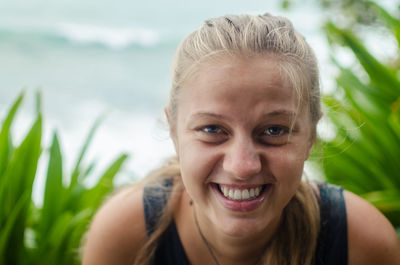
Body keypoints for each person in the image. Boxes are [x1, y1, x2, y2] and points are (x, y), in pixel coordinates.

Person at [82, 13, 400, 265]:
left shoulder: (360, 243)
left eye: (274, 131)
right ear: (174, 132)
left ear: (311, 138)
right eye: (212, 130)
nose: (242, 166)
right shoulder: (126, 235)